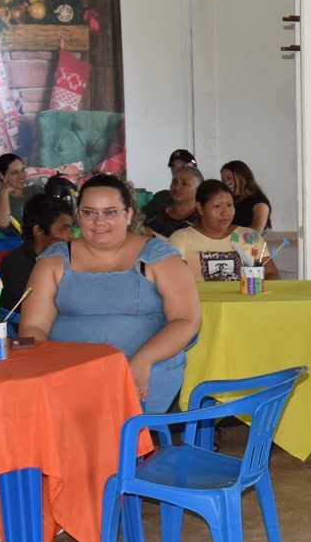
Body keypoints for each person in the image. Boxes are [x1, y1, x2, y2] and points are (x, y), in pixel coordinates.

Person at [19, 174, 200, 415]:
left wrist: (142, 360)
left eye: (111, 212)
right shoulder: (54, 260)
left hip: (144, 369)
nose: (99, 221)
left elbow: (187, 320)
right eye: (89, 212)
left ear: (128, 215)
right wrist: (50, 366)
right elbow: (33, 326)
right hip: (65, 374)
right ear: (78, 215)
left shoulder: (159, 257)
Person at [167, 179, 275, 284]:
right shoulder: (181, 238)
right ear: (200, 208)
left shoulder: (250, 236)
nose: (225, 212)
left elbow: (271, 273)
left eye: (229, 205)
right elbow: (172, 278)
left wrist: (257, 289)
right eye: (217, 206)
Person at [0, 193, 75, 301]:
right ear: (39, 231)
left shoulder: (60, 259)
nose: (71, 236)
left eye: (70, 229)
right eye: (64, 229)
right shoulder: (15, 264)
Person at [0, 153, 41, 233]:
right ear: (2, 175)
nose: (22, 176)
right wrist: (4, 193)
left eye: (23, 170)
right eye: (15, 172)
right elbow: (2, 224)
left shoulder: (35, 190)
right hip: (12, 240)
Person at [144, 164, 202, 238]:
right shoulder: (156, 216)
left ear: (198, 189)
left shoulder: (201, 220)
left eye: (184, 184)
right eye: (174, 182)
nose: (176, 187)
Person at [143, 148, 198, 222]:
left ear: (194, 167)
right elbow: (140, 216)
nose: (179, 170)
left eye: (184, 166)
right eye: (174, 168)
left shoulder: (207, 199)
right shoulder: (162, 198)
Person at [220, 159, 271, 233]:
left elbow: (256, 230)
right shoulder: (231, 200)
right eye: (223, 180)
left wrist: (228, 233)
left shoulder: (260, 202)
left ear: (243, 177)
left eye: (230, 178)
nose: (226, 183)